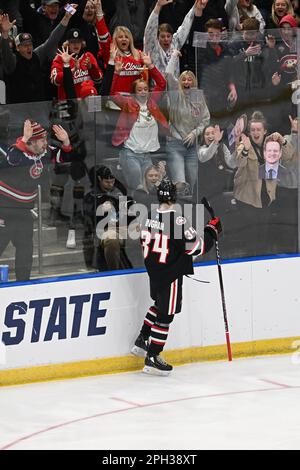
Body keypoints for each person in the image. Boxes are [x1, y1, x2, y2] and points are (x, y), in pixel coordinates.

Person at [131, 178, 222, 375]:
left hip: (154, 271)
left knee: (159, 305)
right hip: (170, 272)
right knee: (166, 314)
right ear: (174, 197)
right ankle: (153, 357)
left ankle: (142, 339)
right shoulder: (177, 219)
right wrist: (211, 232)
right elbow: (196, 248)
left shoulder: (148, 216)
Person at [0, 119, 73, 281]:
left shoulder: (43, 152)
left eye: (46, 139)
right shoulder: (16, 151)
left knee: (25, 249)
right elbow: (10, 160)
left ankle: (23, 284)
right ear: (31, 142)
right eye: (42, 140)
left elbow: (63, 157)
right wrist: (24, 139)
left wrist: (66, 141)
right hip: (4, 209)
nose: (45, 144)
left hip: (24, 210)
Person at [111, 52, 168, 191]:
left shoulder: (152, 102)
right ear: (134, 92)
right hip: (130, 152)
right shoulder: (127, 103)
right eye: (139, 90)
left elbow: (162, 83)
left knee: (148, 187)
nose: (143, 92)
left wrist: (150, 65)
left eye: (146, 89)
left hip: (146, 154)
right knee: (137, 185)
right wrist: (116, 73)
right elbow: (112, 94)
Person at [165, 49, 210, 197]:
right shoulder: (174, 94)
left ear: (194, 82)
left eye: (190, 79)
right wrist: (173, 56)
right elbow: (168, 74)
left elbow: (205, 119)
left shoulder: (198, 96)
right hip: (175, 144)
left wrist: (194, 133)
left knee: (193, 182)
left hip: (192, 145)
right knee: (180, 184)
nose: (186, 82)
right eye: (183, 79)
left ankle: (191, 214)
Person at [83, 165, 132, 271]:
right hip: (105, 229)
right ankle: (114, 272)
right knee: (111, 239)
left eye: (112, 181)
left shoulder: (119, 190)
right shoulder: (91, 195)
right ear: (100, 179)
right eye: (107, 182)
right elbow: (86, 215)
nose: (110, 184)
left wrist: (130, 211)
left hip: (124, 226)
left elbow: (130, 209)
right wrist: (99, 210)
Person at [144, 0, 203, 78]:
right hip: (156, 88)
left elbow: (185, 26)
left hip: (174, 87)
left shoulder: (175, 43)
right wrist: (158, 6)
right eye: (162, 36)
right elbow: (150, 29)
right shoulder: (153, 46)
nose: (166, 39)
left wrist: (195, 7)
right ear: (157, 37)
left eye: (168, 36)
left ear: (172, 36)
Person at [51, 27, 103, 99]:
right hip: (70, 103)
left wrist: (91, 68)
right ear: (68, 44)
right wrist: (71, 71)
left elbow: (99, 80)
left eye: (78, 41)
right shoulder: (60, 58)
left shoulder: (88, 56)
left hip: (89, 102)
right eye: (73, 42)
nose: (76, 44)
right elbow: (55, 81)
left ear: (82, 43)